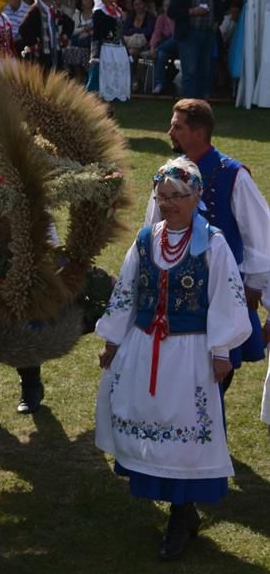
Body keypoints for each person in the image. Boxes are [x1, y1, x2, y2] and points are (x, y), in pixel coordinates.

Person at [95, 159, 251, 561]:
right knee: (150, 424)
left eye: (177, 197)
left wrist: (221, 352)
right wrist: (112, 340)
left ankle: (181, 517)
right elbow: (127, 291)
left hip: (190, 353)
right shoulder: (147, 240)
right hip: (146, 347)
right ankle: (179, 510)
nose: (168, 204)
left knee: (184, 433)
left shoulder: (212, 243)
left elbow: (225, 300)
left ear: (196, 196)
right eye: (162, 197)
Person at [146, 99, 270, 387]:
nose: (169, 132)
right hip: (174, 291)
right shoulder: (168, 175)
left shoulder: (232, 175)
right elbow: (152, 230)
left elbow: (261, 233)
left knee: (215, 383)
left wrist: (253, 283)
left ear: (199, 132)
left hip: (221, 292)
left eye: (177, 126)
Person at [168, 0, 225, 99]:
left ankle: (202, 103)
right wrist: (192, 11)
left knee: (205, 70)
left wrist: (217, 21)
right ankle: (189, 104)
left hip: (208, 34)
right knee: (190, 71)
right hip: (189, 35)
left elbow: (219, 7)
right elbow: (172, 12)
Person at [86, 0, 130, 103]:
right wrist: (95, 55)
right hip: (106, 48)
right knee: (103, 75)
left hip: (118, 48)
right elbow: (96, 34)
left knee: (116, 75)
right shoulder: (99, 13)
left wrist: (127, 52)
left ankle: (114, 100)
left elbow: (120, 33)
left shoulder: (117, 11)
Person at [17, 0, 63, 70]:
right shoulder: (35, 10)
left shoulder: (56, 10)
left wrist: (65, 36)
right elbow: (23, 28)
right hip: (41, 52)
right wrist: (34, 43)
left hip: (55, 48)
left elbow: (68, 23)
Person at [149, 0, 178, 95]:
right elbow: (156, 33)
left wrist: (155, 49)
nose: (168, 8)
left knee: (174, 40)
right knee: (161, 55)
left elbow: (177, 36)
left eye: (170, 6)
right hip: (167, 47)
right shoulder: (161, 18)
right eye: (165, 6)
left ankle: (157, 49)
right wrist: (152, 46)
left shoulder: (179, 17)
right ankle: (159, 84)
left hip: (181, 46)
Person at [62, 0, 94, 79]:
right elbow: (72, 31)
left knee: (82, 52)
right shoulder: (76, 16)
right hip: (77, 42)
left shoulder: (96, 14)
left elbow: (99, 29)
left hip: (90, 44)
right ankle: (77, 74)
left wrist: (88, 33)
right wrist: (84, 29)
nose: (89, 1)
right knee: (69, 50)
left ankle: (85, 76)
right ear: (81, 3)